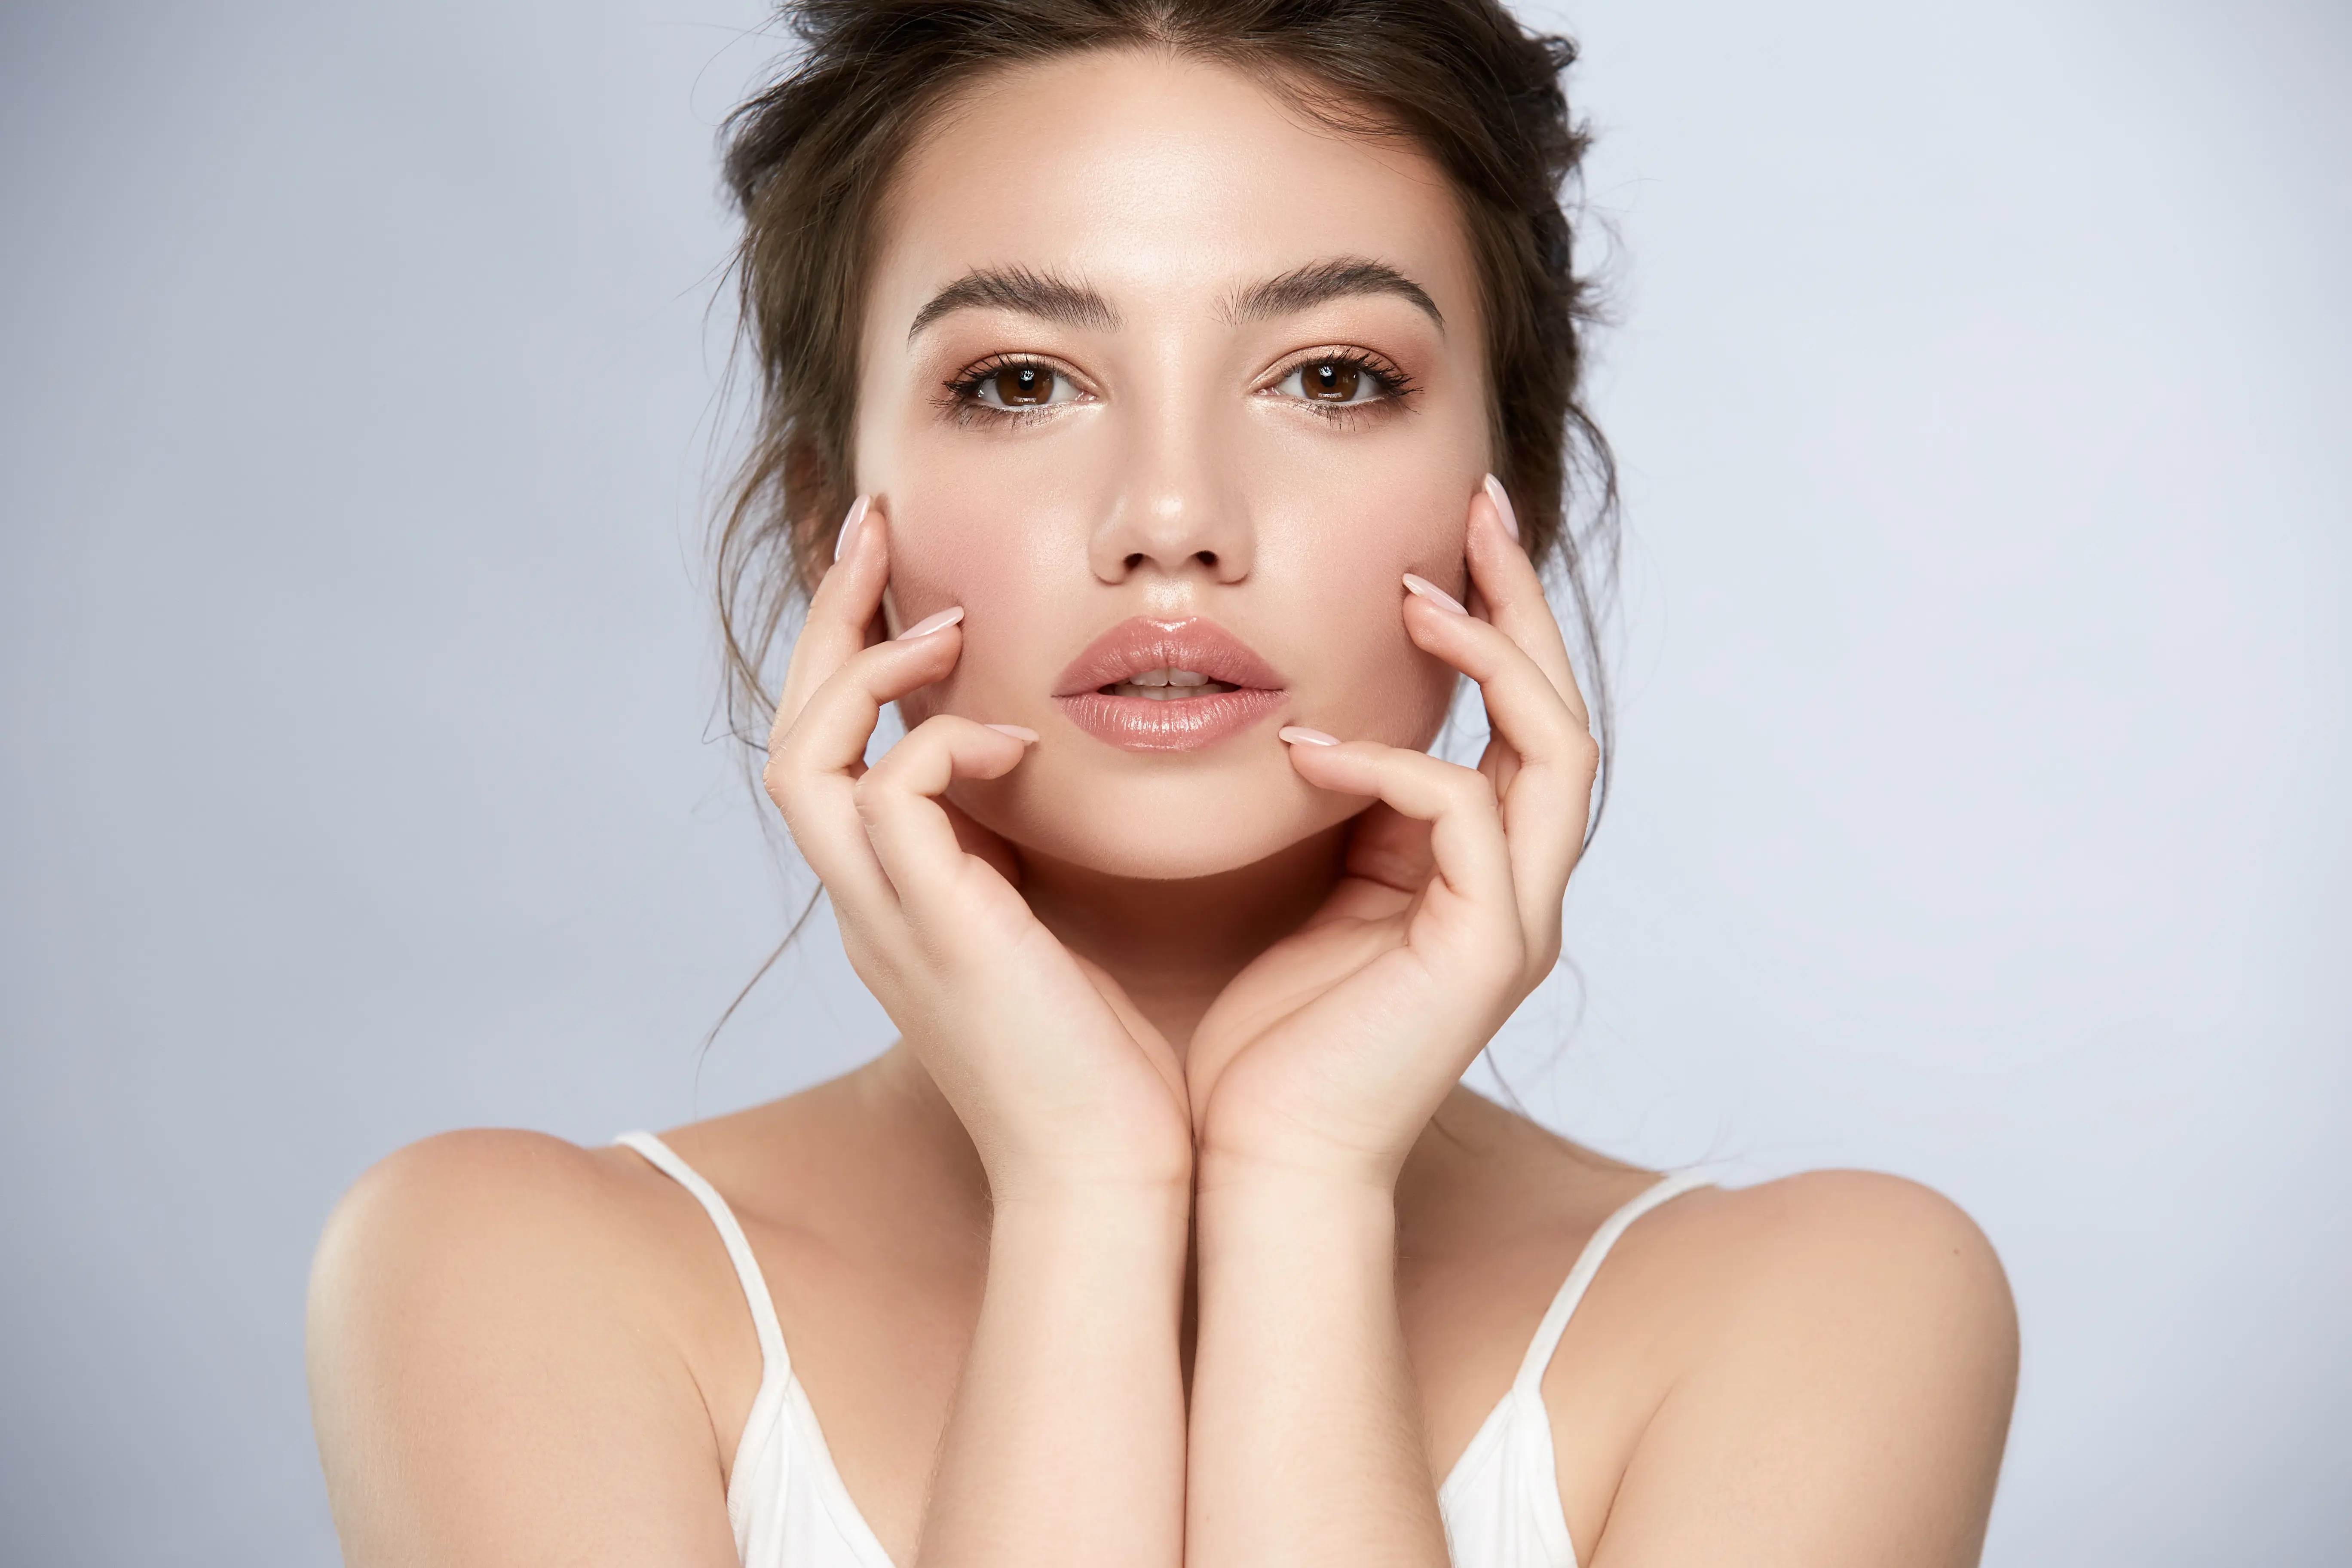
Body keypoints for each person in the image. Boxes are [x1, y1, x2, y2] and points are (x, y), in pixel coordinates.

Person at [305, 3, 2019, 1564]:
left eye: (1332, 377)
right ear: (841, 524)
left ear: (1517, 507)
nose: (1175, 514)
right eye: (1023, 382)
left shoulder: (1829, 1314)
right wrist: (1085, 1192)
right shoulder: (504, 1280)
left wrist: (1300, 1187)